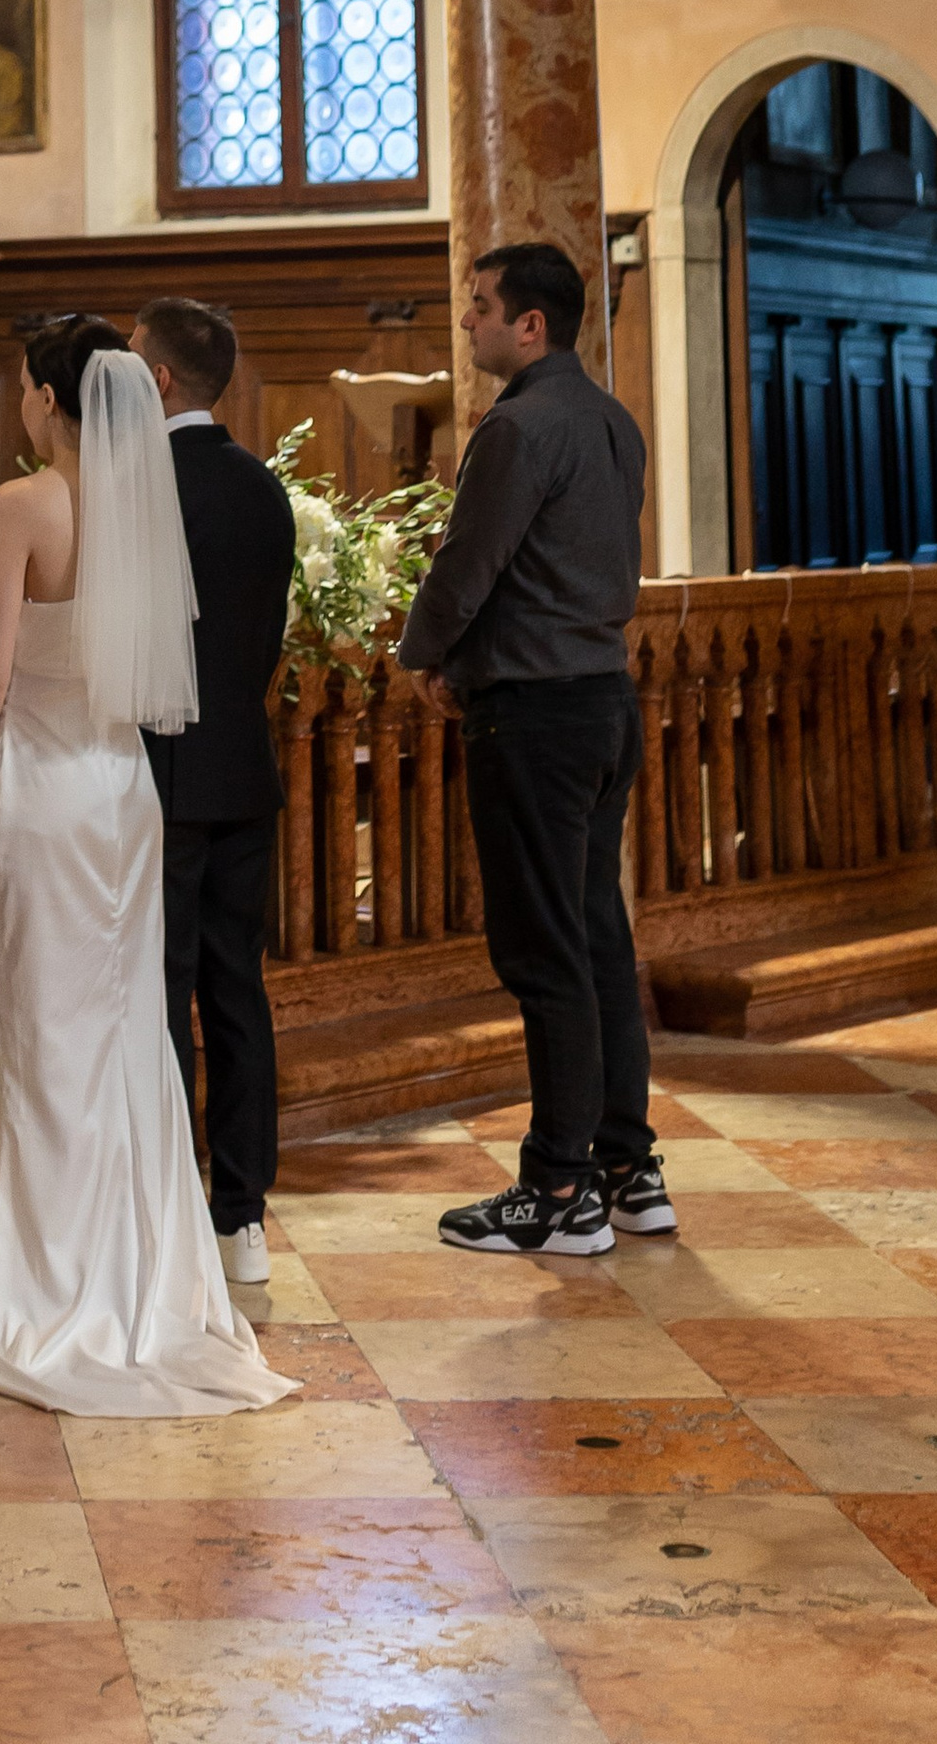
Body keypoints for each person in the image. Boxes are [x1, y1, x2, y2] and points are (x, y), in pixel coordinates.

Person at [0, 314, 295, 1417]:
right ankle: (144, 1277)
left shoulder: (22, 506)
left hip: (44, 796)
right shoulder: (146, 510)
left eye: (18, 388)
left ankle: (50, 1286)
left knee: (46, 1043)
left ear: (49, 399)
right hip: (124, 793)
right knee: (126, 1039)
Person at [394, 240, 665, 1259]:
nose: (466, 322)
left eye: (477, 308)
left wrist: (419, 652)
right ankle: (625, 1169)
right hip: (602, 701)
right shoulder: (610, 419)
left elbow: (471, 565)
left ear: (529, 326)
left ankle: (556, 1187)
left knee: (543, 950)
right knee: (595, 941)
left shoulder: (516, 429)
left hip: (535, 715)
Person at [131, 295, 295, 1293]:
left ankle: (161, 1208)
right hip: (244, 767)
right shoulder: (262, 488)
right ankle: (241, 1218)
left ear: (155, 381)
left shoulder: (139, 492)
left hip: (160, 774)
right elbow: (262, 641)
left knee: (156, 997)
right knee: (237, 996)